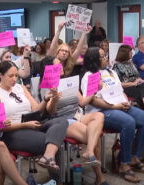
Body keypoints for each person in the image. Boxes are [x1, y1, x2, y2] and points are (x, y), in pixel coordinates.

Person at [0, 61, 69, 183]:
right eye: (11, 76)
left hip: (31, 124)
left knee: (62, 121)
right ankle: (56, 178)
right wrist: (24, 125)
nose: (14, 79)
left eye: (16, 76)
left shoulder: (20, 87)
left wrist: (46, 99)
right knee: (52, 142)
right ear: (1, 75)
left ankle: (48, 157)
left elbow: (37, 109)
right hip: (11, 133)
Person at [38, 56, 108, 185]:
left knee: (99, 116)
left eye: (61, 65)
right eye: (58, 65)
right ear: (50, 70)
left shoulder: (68, 81)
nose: (61, 67)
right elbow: (51, 112)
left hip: (78, 115)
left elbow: (82, 102)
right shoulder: (47, 86)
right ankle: (99, 177)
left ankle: (89, 151)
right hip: (62, 120)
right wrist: (54, 99)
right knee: (94, 136)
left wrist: (95, 90)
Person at [81, 47, 144, 183]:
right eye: (102, 56)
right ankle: (124, 163)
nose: (106, 58)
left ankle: (136, 157)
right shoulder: (89, 76)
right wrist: (115, 106)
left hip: (120, 106)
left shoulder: (111, 72)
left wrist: (125, 100)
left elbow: (120, 90)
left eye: (105, 55)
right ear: (94, 60)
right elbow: (93, 100)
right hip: (100, 112)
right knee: (128, 123)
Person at [113, 44, 144, 110]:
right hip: (127, 87)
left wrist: (139, 80)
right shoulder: (117, 66)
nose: (132, 54)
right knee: (141, 90)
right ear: (125, 54)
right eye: (130, 52)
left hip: (138, 84)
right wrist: (133, 83)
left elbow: (137, 76)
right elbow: (118, 84)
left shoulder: (131, 63)